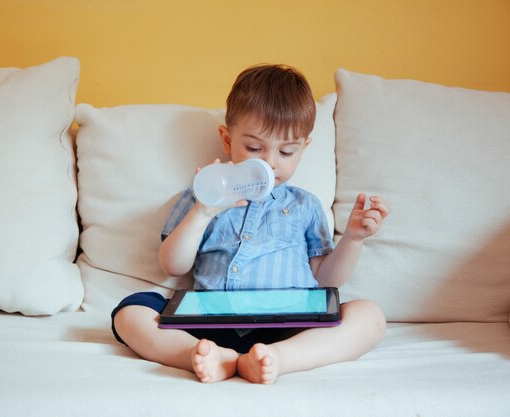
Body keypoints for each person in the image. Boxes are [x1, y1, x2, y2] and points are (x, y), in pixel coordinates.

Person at [112, 64, 389, 384]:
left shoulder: (304, 205)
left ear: (304, 149)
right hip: (210, 324)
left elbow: (325, 280)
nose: (269, 162)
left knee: (369, 316)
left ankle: (278, 360)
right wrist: (202, 212)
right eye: (254, 148)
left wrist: (353, 239)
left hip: (290, 327)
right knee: (130, 310)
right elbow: (172, 266)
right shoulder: (202, 194)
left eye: (286, 151)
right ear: (227, 140)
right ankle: (201, 356)